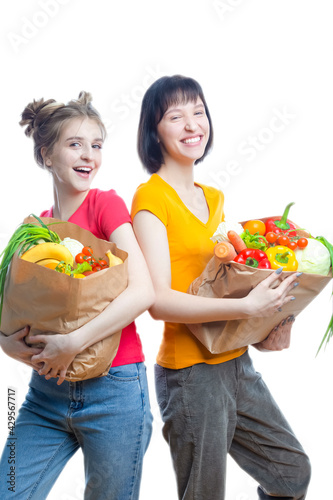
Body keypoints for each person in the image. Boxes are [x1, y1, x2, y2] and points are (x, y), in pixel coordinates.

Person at [131, 75, 311, 500]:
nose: (193, 124)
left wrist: (271, 299)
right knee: (204, 493)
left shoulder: (213, 197)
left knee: (291, 473)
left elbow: (221, 279)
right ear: (154, 132)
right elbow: (158, 302)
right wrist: (247, 308)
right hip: (190, 371)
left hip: (236, 360)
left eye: (198, 111)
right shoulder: (149, 200)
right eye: (176, 116)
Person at [0, 91, 154, 500]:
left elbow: (143, 290)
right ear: (46, 154)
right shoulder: (37, 228)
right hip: (46, 394)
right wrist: (6, 341)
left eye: (96, 145)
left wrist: (72, 342)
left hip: (115, 391)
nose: (89, 155)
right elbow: (12, 308)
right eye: (75, 144)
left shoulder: (106, 205)